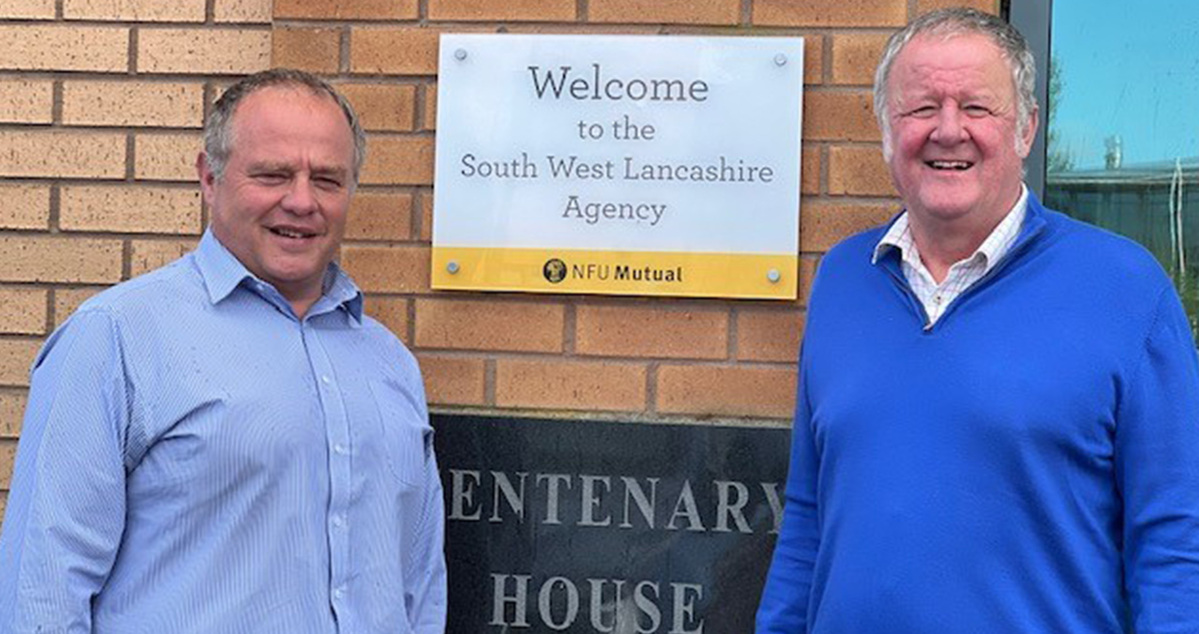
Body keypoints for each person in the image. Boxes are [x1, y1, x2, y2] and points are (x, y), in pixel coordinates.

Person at [757, 8, 1199, 633]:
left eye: (976, 108)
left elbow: (1176, 540)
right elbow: (806, 516)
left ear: (1025, 130)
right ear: (887, 131)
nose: (947, 130)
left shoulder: (1127, 291)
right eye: (921, 108)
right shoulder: (843, 279)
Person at [0, 69, 447, 632]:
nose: (302, 201)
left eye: (328, 180)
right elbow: (43, 588)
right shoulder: (115, 338)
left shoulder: (389, 365)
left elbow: (421, 587)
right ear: (209, 178)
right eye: (273, 174)